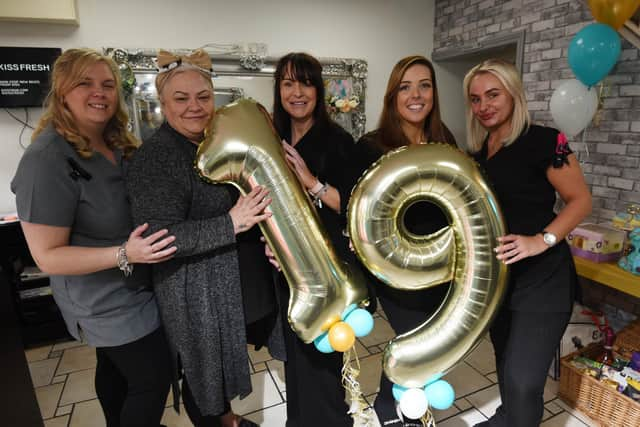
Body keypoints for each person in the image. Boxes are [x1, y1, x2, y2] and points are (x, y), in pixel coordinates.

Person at [11, 48, 176, 427]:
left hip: (137, 284)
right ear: (62, 92)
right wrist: (126, 253)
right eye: (85, 83)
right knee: (153, 376)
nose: (99, 93)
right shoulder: (46, 159)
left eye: (107, 85)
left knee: (116, 369)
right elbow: (47, 256)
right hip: (103, 300)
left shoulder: (116, 141)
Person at [125, 49, 279, 427]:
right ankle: (220, 421)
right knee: (204, 376)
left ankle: (225, 417)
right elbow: (161, 236)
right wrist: (231, 222)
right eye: (181, 98)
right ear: (162, 103)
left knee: (219, 373)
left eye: (203, 97)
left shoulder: (211, 143)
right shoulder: (155, 157)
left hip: (233, 281)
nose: (194, 106)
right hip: (194, 291)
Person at [463, 59, 592, 427]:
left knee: (523, 380)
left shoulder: (547, 141)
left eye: (493, 95)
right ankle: (507, 418)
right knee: (506, 364)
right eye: (475, 99)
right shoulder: (476, 154)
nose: (484, 105)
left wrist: (542, 239)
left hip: (544, 281)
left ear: (513, 95)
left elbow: (581, 200)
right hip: (499, 282)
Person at [345, 55, 457, 427]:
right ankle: (406, 414)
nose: (416, 94)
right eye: (405, 87)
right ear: (393, 96)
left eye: (424, 85)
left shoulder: (445, 140)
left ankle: (386, 404)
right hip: (396, 269)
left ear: (433, 94)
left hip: (442, 265)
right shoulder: (371, 146)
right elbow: (353, 206)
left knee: (430, 338)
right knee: (416, 338)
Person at [267, 52, 362, 427]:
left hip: (325, 267)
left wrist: (311, 182)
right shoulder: (273, 136)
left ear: (319, 90)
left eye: (305, 83)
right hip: (285, 267)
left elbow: (353, 207)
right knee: (296, 359)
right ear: (279, 90)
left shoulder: (338, 140)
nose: (297, 92)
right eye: (288, 83)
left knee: (323, 361)